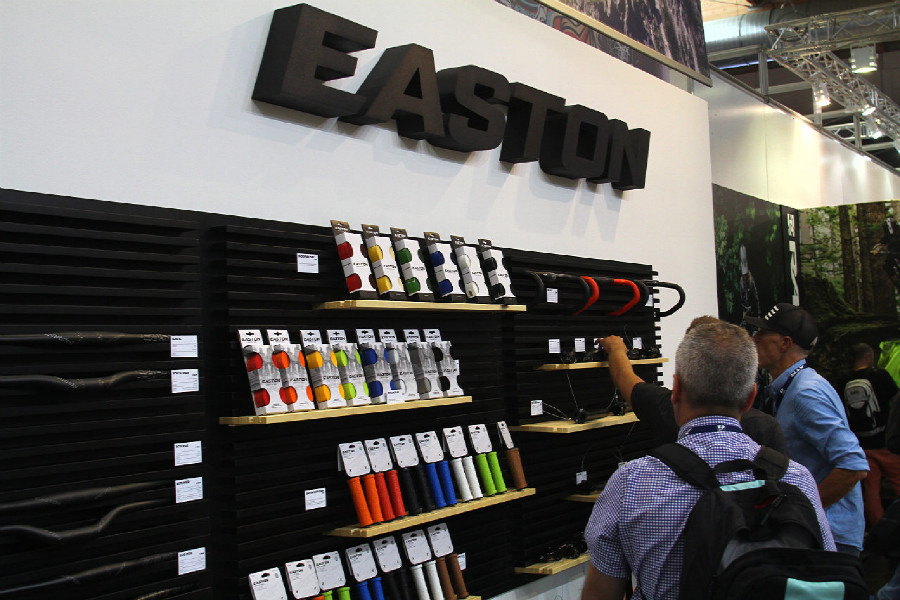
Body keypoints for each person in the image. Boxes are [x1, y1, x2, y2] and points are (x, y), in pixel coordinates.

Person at [582, 322, 833, 600]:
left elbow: (600, 594)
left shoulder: (631, 483)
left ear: (677, 389)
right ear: (750, 397)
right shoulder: (795, 478)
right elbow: (821, 577)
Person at [746, 303, 868, 555]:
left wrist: (803, 511)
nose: (754, 338)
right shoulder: (794, 386)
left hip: (829, 536)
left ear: (785, 343)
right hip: (817, 532)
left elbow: (853, 466)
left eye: (763, 333)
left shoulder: (806, 393)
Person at [598, 315, 787, 454]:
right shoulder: (766, 427)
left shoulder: (663, 407)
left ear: (677, 389)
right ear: (750, 395)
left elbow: (624, 378)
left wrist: (616, 349)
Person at [842, 342, 900, 526]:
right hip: (885, 443)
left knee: (871, 490)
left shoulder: (844, 380)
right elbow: (896, 401)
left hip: (861, 445)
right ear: (868, 356)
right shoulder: (880, 375)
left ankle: (879, 531)